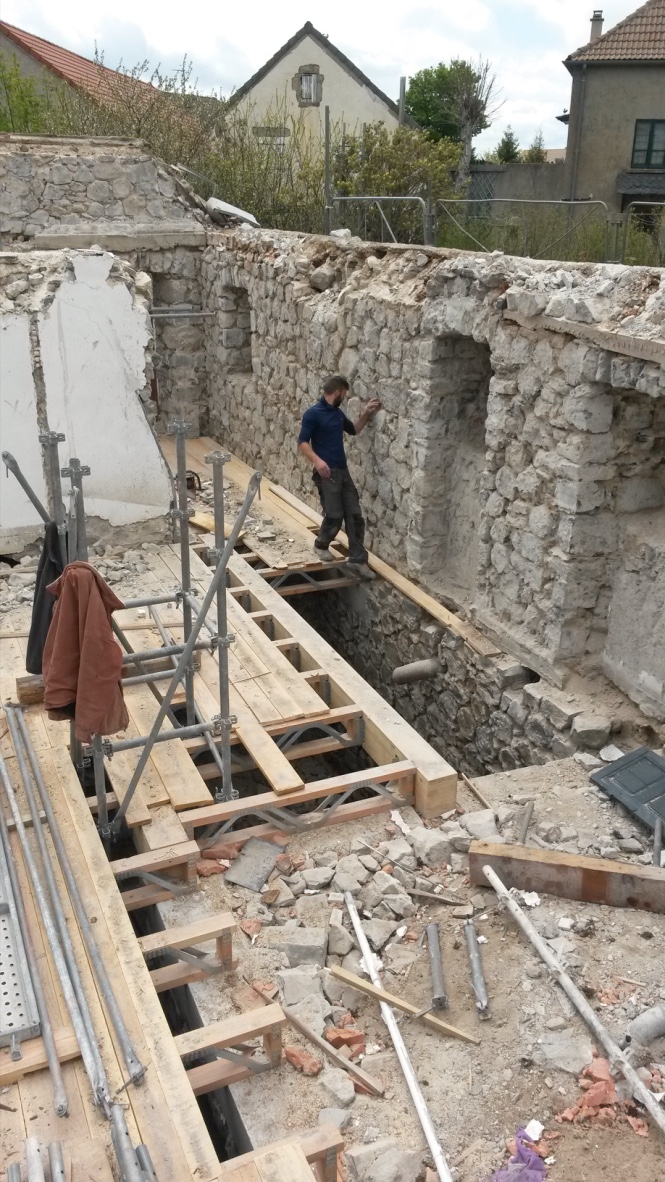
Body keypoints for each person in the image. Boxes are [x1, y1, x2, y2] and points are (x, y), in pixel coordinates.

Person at [297, 374, 380, 580]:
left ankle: (357, 560)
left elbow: (354, 430)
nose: (344, 396)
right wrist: (317, 461)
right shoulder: (313, 414)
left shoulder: (337, 414)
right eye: (344, 394)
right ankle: (321, 544)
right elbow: (302, 443)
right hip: (327, 472)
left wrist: (366, 414)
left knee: (355, 515)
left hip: (342, 470)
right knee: (334, 514)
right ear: (337, 392)